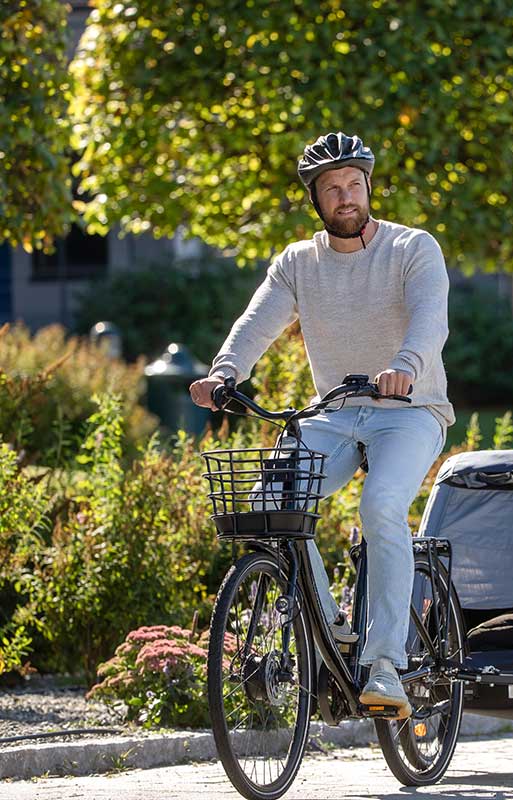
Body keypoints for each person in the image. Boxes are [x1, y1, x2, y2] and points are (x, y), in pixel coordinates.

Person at [189, 132, 453, 718]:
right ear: (315, 198)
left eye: (354, 183)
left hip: (409, 412)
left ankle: (385, 664)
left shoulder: (413, 248)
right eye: (333, 188)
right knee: (269, 503)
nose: (346, 196)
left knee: (381, 506)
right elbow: (257, 320)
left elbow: (430, 318)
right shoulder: (298, 264)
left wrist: (404, 368)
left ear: (368, 186)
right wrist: (224, 372)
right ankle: (333, 628)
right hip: (333, 415)